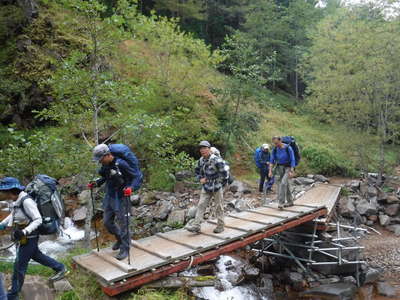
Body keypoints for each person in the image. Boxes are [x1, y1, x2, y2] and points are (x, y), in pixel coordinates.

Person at [0, 177, 66, 300]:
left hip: (29, 236)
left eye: (4, 191)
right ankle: (60, 267)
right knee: (36, 255)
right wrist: (2, 224)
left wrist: (25, 231)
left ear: (11, 190)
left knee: (19, 267)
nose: (3, 194)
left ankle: (13, 295)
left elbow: (38, 219)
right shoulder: (17, 200)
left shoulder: (26, 201)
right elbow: (14, 214)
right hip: (24, 236)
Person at [90, 144, 143, 260]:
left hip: (122, 197)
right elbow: (106, 177)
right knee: (107, 222)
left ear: (107, 155)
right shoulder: (106, 165)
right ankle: (119, 239)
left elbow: (137, 177)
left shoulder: (122, 164)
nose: (99, 162)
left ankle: (125, 248)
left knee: (124, 224)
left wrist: (131, 188)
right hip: (110, 196)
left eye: (100, 159)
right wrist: (96, 183)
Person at [185, 141, 228, 234]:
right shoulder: (201, 161)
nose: (203, 150)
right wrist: (200, 179)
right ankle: (196, 226)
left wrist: (221, 183)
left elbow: (225, 173)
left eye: (205, 148)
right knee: (201, 205)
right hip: (206, 187)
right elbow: (196, 172)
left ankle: (220, 226)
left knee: (218, 206)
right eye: (201, 148)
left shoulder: (217, 160)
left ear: (209, 149)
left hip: (216, 186)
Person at [269, 137, 296, 208]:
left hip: (288, 168)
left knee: (283, 183)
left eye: (277, 143)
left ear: (280, 141)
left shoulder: (288, 148)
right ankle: (290, 202)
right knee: (286, 185)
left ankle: (281, 203)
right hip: (279, 168)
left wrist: (292, 170)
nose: (276, 145)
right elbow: (271, 161)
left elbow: (293, 159)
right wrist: (270, 171)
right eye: (274, 143)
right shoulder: (275, 149)